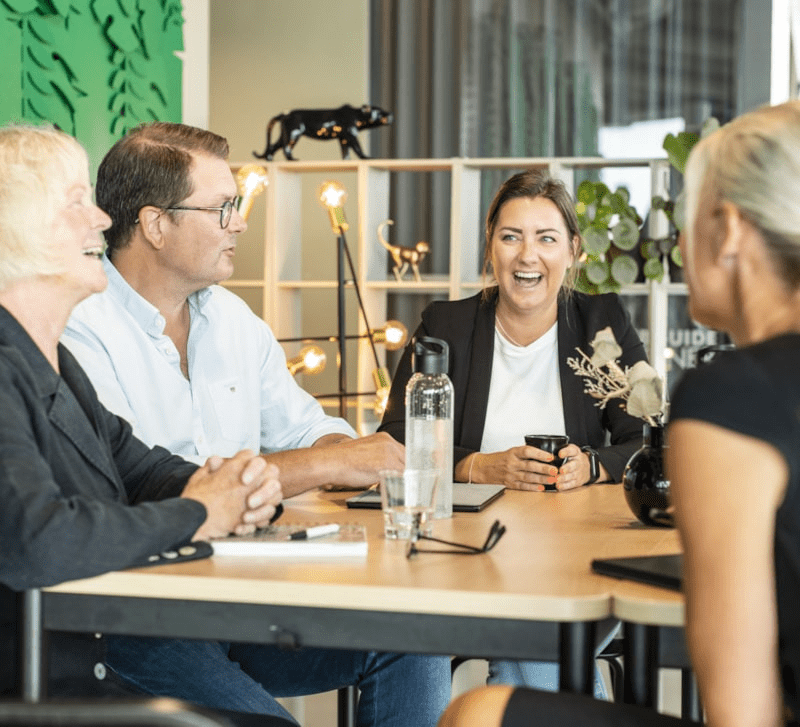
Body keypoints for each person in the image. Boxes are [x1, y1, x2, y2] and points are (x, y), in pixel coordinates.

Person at [0, 124, 451, 727]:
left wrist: (240, 488)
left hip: (211, 600)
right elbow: (39, 540)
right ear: (19, 228)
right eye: (76, 202)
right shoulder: (51, 346)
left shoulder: (52, 361)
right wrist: (204, 509)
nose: (102, 220)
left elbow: (144, 467)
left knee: (417, 638)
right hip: (108, 636)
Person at [438, 100, 800, 727]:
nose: (678, 246)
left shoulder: (732, 398)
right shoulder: (450, 324)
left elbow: (740, 709)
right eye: (511, 236)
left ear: (731, 231)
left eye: (686, 221)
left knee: (477, 714)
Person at [379, 169, 647, 691]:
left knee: (533, 637)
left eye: (546, 239)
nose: (527, 256)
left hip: (573, 557)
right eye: (511, 237)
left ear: (573, 251)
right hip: (462, 555)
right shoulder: (446, 326)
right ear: (491, 247)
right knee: (534, 641)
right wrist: (479, 466)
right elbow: (394, 438)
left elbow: (647, 439)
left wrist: (592, 466)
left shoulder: (601, 322)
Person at [61, 121, 404, 494]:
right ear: (155, 225)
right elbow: (136, 479)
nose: (239, 224)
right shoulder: (75, 325)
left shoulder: (232, 316)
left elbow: (305, 429)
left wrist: (346, 452)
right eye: (223, 208)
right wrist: (329, 463)